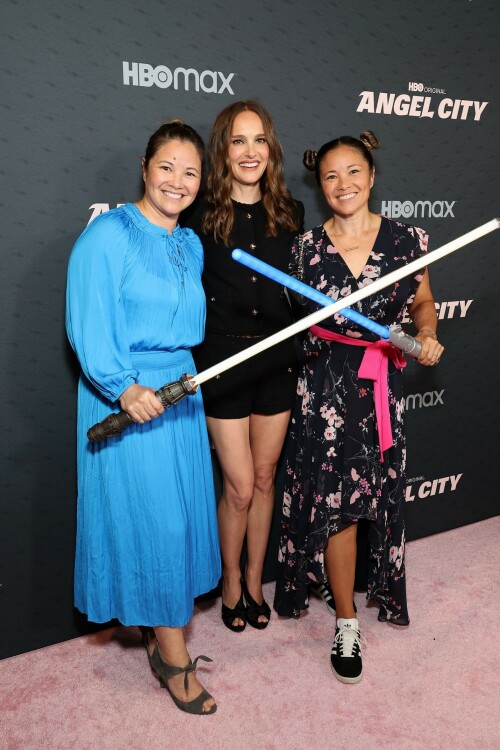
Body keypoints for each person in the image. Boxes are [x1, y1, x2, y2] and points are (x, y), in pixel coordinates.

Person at [273, 131, 444, 684]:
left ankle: (350, 588)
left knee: (375, 495)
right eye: (330, 176)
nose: (342, 184)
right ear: (319, 186)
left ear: (371, 177)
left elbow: (423, 303)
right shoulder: (303, 250)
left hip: (378, 387)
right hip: (324, 389)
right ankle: (346, 619)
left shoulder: (407, 240)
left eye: (353, 172)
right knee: (340, 505)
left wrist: (426, 334)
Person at [66, 120, 221, 714]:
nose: (178, 182)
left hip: (182, 391)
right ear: (144, 166)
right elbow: (86, 320)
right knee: (159, 525)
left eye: (190, 172)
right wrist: (123, 387)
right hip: (128, 396)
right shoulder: (107, 235)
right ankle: (174, 658)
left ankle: (159, 631)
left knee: (179, 516)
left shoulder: (191, 243)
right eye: (167, 168)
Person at [183, 100, 304, 632]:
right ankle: (229, 580)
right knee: (236, 485)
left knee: (262, 477)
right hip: (224, 363)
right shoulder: (200, 217)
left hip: (278, 359)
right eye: (237, 141)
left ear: (270, 148)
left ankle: (256, 581)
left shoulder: (290, 214)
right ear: (222, 150)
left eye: (258, 140)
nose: (249, 151)